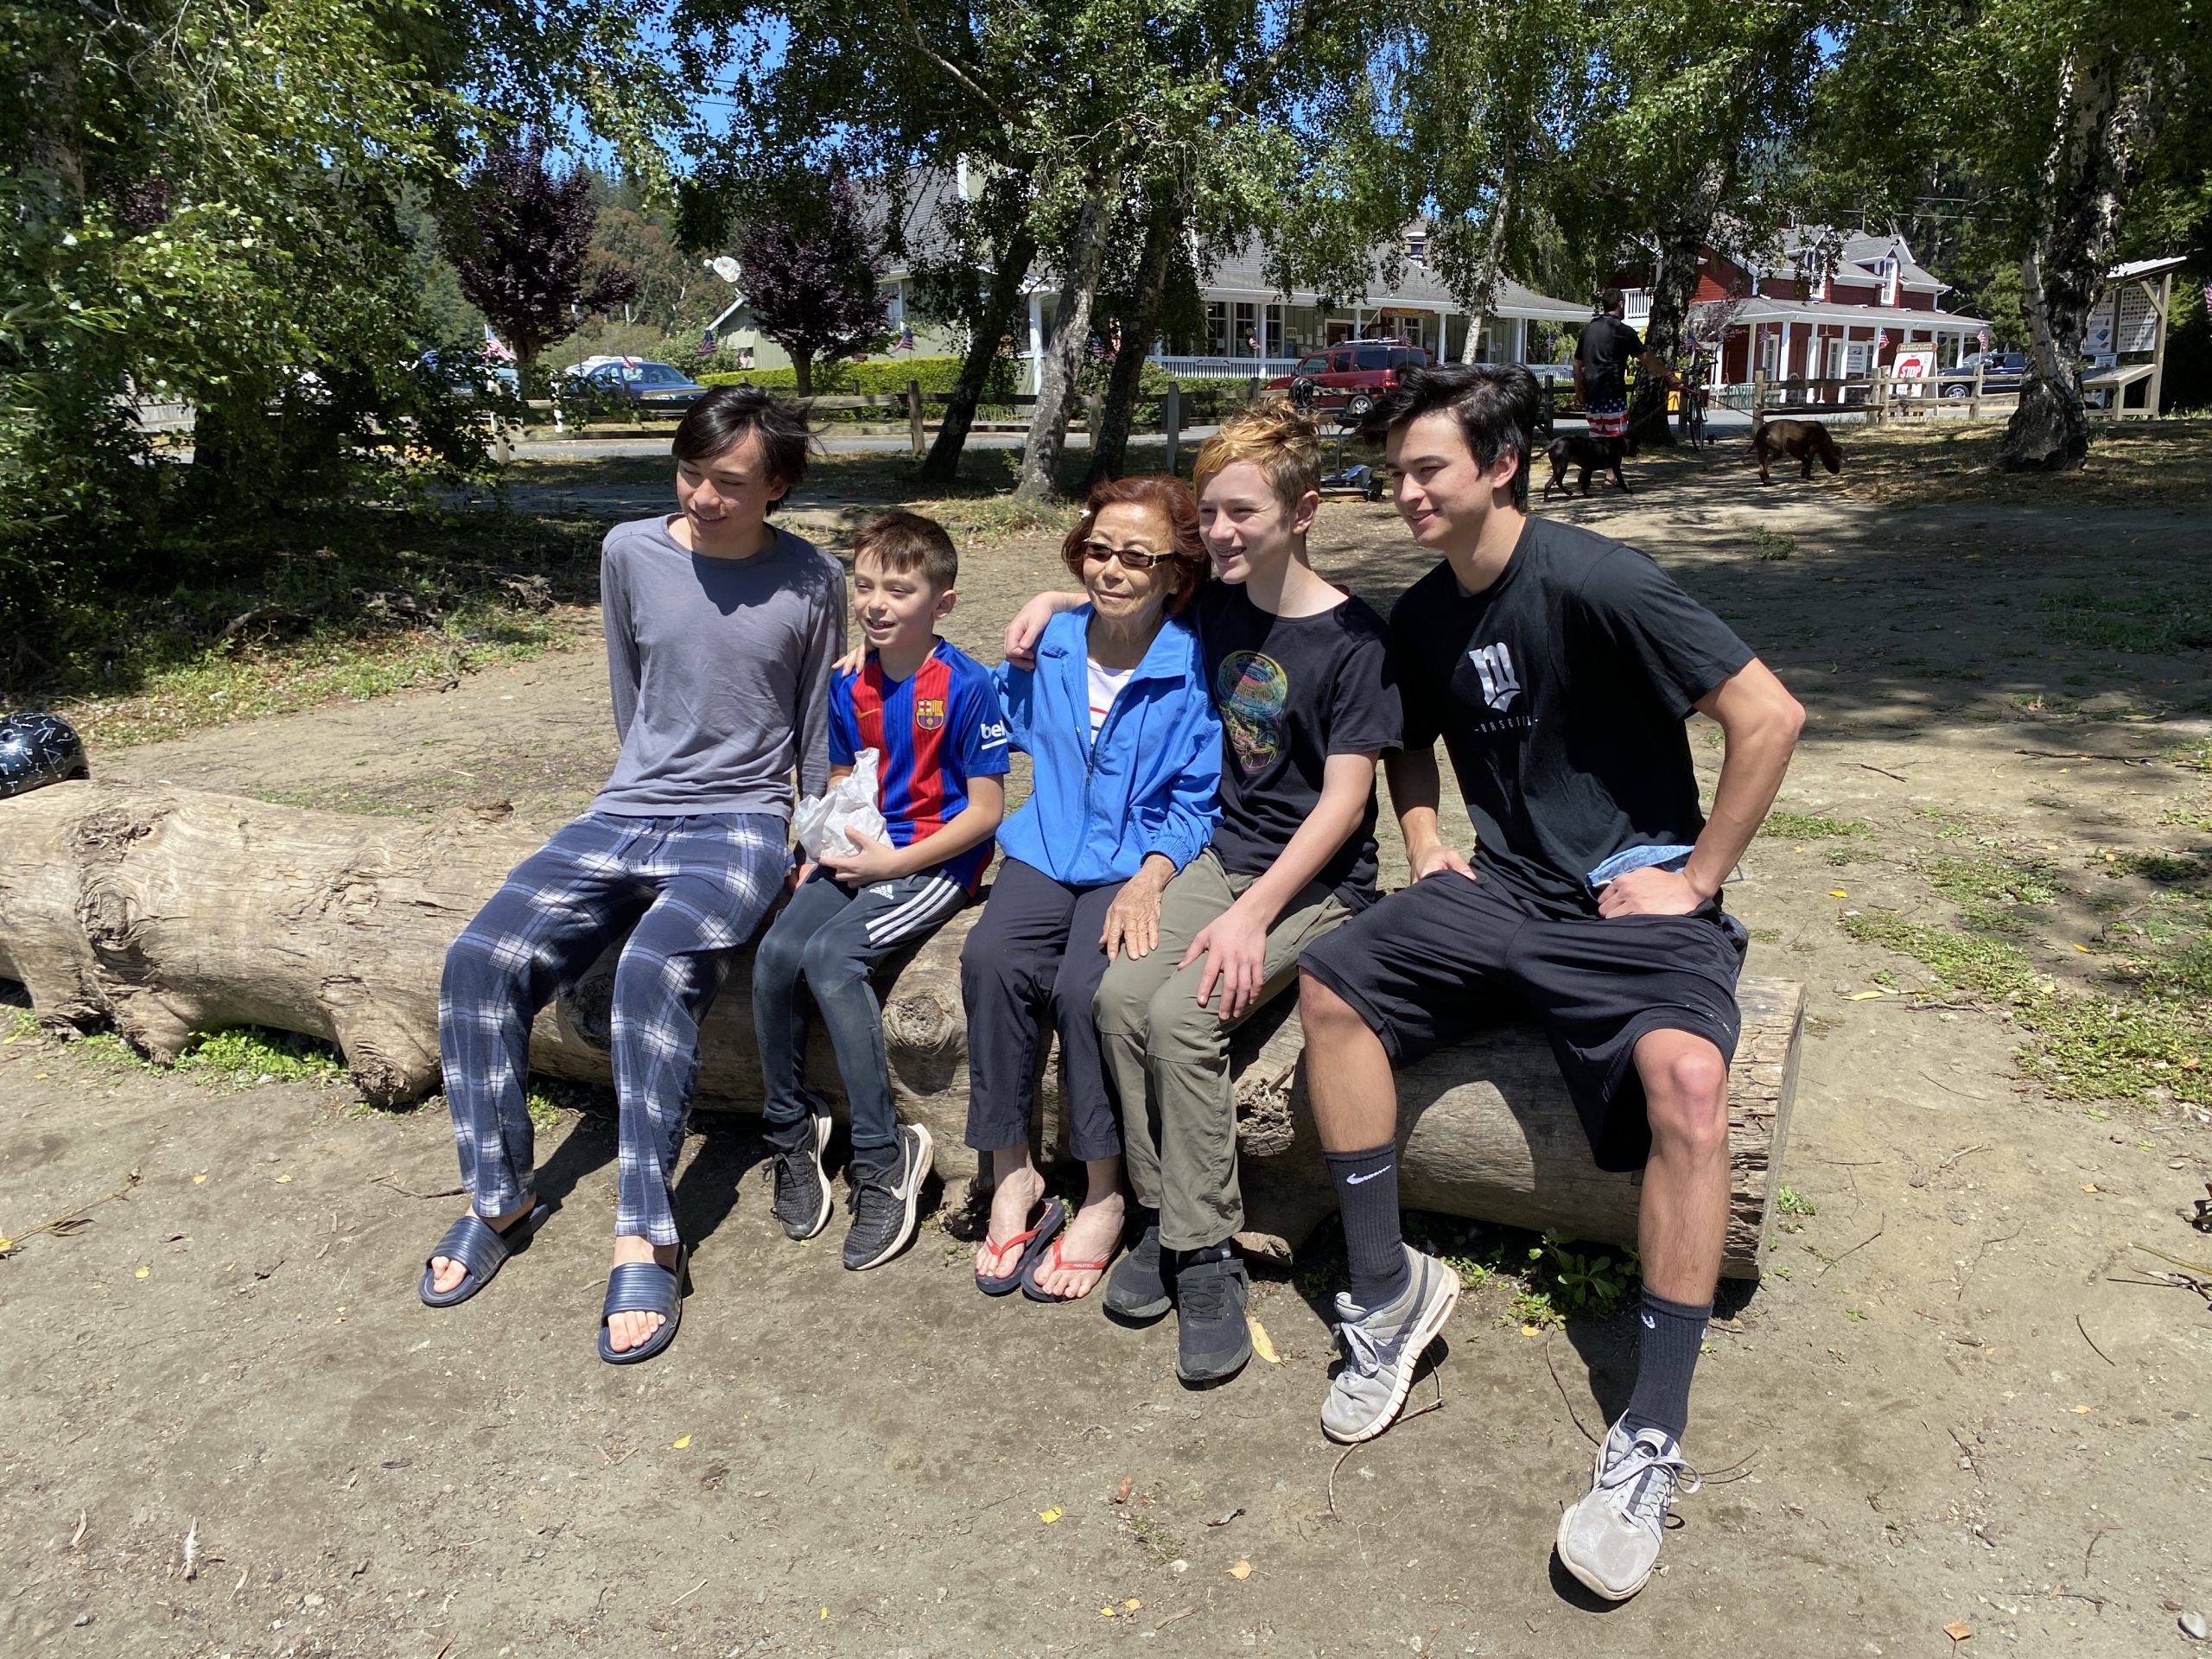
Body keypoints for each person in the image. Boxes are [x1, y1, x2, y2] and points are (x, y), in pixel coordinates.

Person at [1295, 363, 1804, 1599]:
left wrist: (1696, 877)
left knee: (1691, 1087)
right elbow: (1408, 745)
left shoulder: (1596, 579)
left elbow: (1769, 715)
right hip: (1502, 895)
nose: (1406, 491)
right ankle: (1387, 1293)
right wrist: (1426, 842)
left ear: (1502, 465)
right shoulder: (1424, 615)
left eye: (1429, 469)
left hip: (1632, 894)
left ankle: (1652, 1431)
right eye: (1395, 471)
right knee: (1331, 984)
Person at [421, 386, 843, 1367]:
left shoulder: (814, 578)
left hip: (741, 820)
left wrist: (817, 837)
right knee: (479, 960)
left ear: (777, 486)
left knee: (652, 972)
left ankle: (647, 1233)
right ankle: (499, 1194)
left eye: (728, 482)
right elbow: (631, 691)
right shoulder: (628, 552)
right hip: (625, 810)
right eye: (689, 474)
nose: (702, 496)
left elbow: (817, 725)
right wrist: (641, 786)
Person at [1001, 404, 1400, 1382]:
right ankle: (1159, 1214)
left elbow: (1346, 804)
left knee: (1182, 1018)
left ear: (1304, 512)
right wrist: (1052, 598)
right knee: (1116, 996)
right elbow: (1119, 596)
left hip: (1314, 879)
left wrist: (1252, 916)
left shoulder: (1355, 640)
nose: (1218, 532)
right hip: (1219, 853)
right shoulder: (1216, 604)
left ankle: (1205, 1248)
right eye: (1210, 512)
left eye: (1241, 513)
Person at [962, 476, 1222, 1303]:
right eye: (1098, 551)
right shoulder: (1056, 641)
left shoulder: (1194, 664)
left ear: (1177, 572)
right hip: (1046, 848)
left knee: (1087, 990)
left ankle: (1105, 1190)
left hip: (1131, 863)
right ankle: (1012, 1173)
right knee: (990, 959)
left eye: (1137, 556)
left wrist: (1153, 874)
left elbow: (1197, 800)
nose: (1112, 569)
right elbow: (993, 712)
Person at [751, 511, 1009, 1271]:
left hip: (936, 864)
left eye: (900, 590)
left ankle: (883, 1153)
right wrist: (821, 847)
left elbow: (986, 813)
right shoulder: (849, 679)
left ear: (943, 601)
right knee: (775, 955)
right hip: (861, 851)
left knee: (832, 959)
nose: (876, 603)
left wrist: (897, 865)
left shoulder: (968, 686)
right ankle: (791, 1127)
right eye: (864, 586)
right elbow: (844, 776)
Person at [1572, 288, 1669, 489]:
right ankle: (1611, 476)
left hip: (1591, 392)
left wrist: (1579, 391)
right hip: (1612, 391)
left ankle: (1586, 474)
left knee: (1596, 434)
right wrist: (1669, 376)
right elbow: (1646, 359)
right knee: (1615, 436)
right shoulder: (1623, 331)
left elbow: (1577, 363)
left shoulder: (1588, 330)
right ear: (1621, 304)